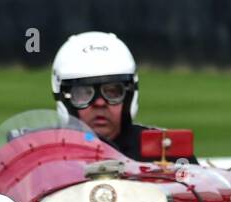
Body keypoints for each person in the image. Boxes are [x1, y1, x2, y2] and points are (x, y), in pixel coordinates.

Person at [50, 31, 196, 163]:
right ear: (64, 97)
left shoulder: (166, 152)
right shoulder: (45, 155)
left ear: (129, 95)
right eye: (84, 93)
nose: (100, 103)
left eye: (113, 91)